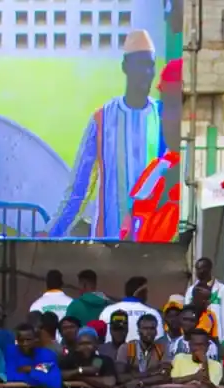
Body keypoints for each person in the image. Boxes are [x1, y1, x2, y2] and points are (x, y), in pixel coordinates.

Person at [50, 30, 166, 240]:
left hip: (152, 243)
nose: (147, 72)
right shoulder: (102, 118)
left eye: (150, 65)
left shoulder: (163, 116)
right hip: (107, 241)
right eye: (140, 64)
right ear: (125, 67)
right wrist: (49, 233)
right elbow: (79, 189)